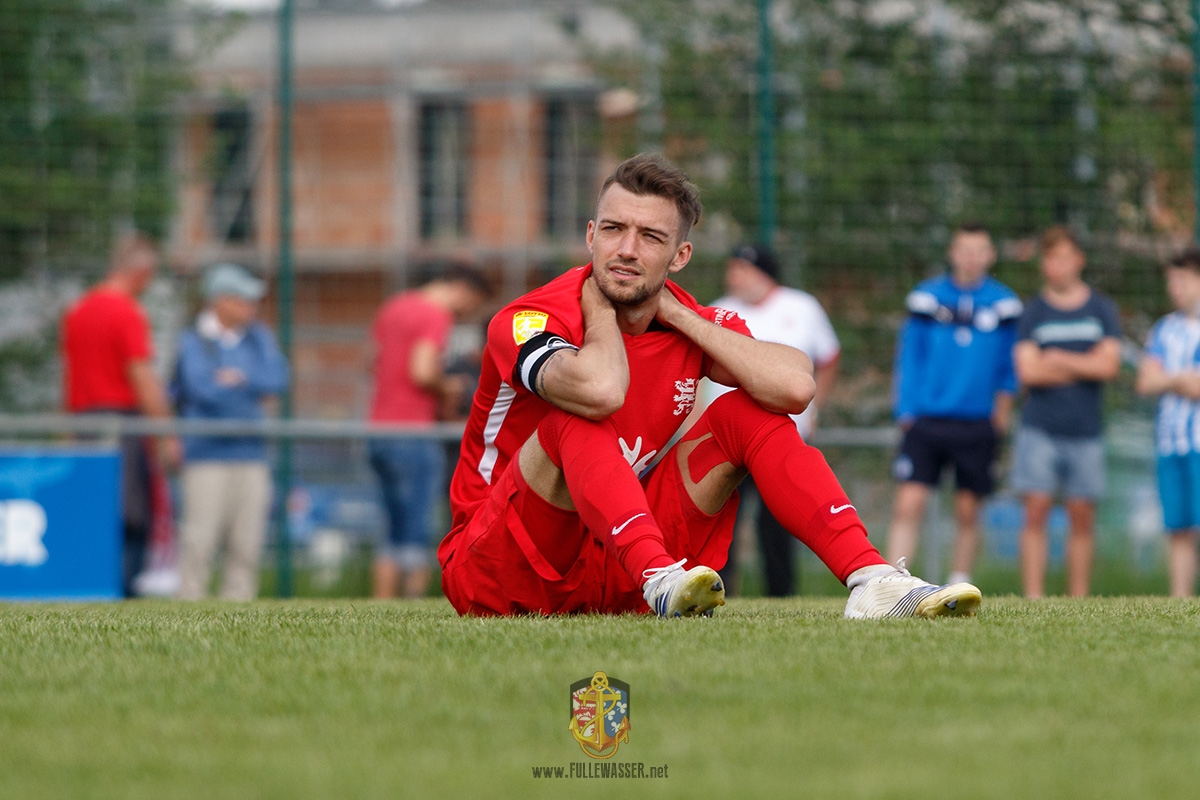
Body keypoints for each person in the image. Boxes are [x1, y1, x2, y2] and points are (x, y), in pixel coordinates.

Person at [438, 152, 982, 619]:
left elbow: (796, 387)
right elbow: (599, 392)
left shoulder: (686, 318)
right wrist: (600, 310)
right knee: (575, 415)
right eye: (613, 229)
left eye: (650, 237)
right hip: (500, 570)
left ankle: (872, 581)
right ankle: (659, 577)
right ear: (590, 236)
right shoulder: (528, 318)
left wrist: (683, 318)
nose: (626, 249)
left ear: (680, 257)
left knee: (748, 413)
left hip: (614, 565)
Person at [887, 223, 1022, 586]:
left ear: (990, 256)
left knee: (968, 510)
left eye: (979, 250)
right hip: (926, 420)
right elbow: (910, 357)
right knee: (908, 504)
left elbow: (1009, 366)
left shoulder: (1005, 304)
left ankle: (958, 584)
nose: (971, 258)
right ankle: (891, 583)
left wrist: (1001, 414)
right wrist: (906, 411)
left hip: (976, 422)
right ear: (952, 253)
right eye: (965, 250)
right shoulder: (925, 299)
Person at [709, 244, 841, 596]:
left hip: (784, 434)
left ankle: (781, 592)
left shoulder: (802, 307)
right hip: (727, 437)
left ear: (763, 274)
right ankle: (718, 589)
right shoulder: (719, 310)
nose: (733, 276)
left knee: (779, 518)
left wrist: (815, 407)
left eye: (741, 269)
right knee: (721, 518)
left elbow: (829, 356)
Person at [61, 232, 181, 597]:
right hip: (121, 423)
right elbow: (142, 377)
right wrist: (167, 434)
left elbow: (68, 375)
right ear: (141, 272)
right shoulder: (127, 312)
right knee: (132, 513)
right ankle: (122, 591)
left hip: (83, 422)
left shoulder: (78, 310)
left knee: (92, 507)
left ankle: (87, 585)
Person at [367, 265, 491, 599]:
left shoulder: (393, 306)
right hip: (413, 430)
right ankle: (413, 598)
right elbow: (421, 371)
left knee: (390, 527)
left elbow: (373, 364)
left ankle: (382, 602)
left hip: (378, 428)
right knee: (417, 525)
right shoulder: (434, 314)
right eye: (472, 304)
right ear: (463, 289)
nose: (466, 313)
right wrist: (448, 385)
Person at [1012, 226, 1121, 598]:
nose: (1055, 266)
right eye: (1049, 258)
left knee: (1082, 515)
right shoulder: (1033, 312)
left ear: (1079, 260)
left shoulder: (1101, 309)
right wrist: (1085, 364)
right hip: (1039, 428)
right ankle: (1033, 596)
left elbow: (1109, 366)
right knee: (1035, 510)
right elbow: (1028, 372)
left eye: (1062, 257)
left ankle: (1078, 596)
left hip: (1086, 430)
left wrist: (1057, 358)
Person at [171, 263, 289, 601]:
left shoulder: (259, 338)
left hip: (252, 453)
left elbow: (277, 379)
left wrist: (238, 379)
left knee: (247, 541)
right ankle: (189, 601)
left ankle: (239, 603)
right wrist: (248, 386)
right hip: (205, 455)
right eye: (242, 298)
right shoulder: (192, 340)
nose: (251, 306)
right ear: (219, 300)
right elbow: (201, 388)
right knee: (199, 538)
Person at [1135, 249, 1200, 597]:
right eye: (1171, 281)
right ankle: (1180, 597)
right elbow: (1146, 381)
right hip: (1170, 441)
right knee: (1178, 525)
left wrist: (1167, 379)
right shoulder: (1164, 329)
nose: (1175, 288)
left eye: (1183, 280)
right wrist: (1181, 379)